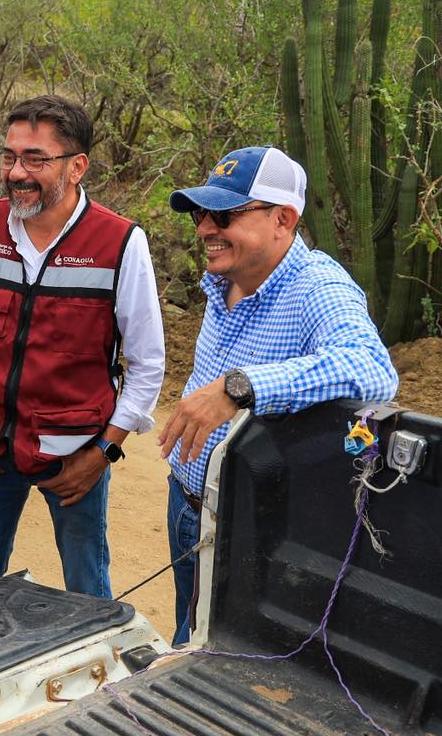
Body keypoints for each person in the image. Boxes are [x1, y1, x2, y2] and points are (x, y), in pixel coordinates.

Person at [158, 145, 398, 645]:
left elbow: (372, 370)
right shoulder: (225, 279)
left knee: (209, 655)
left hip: (243, 526)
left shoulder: (318, 289)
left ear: (283, 219)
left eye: (223, 215)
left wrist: (240, 388)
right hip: (187, 503)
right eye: (201, 214)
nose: (204, 228)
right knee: (190, 619)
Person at [0, 94, 165, 599]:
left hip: (73, 458)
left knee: (87, 590)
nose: (17, 172)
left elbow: (147, 365)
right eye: (10, 156)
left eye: (36, 158)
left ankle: (98, 677)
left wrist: (104, 452)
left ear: (77, 166)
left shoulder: (120, 242)